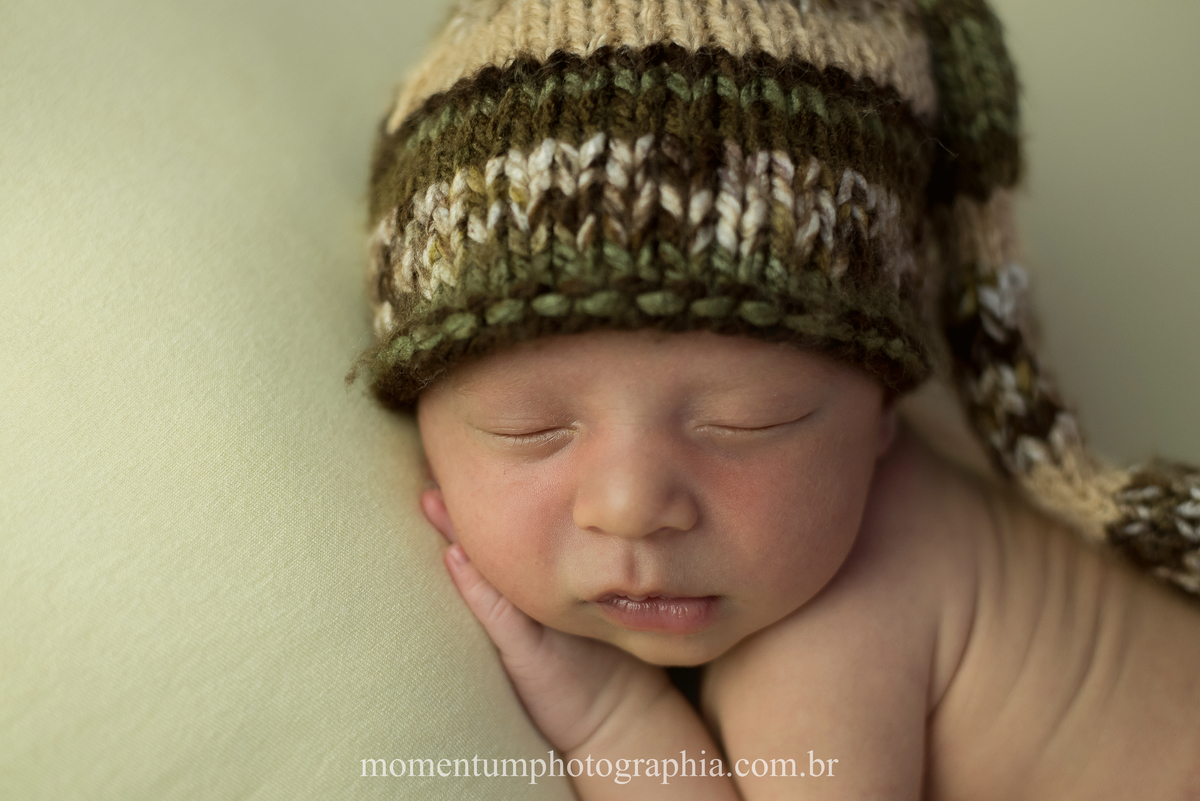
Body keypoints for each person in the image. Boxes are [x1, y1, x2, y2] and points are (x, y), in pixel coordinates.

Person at [347, 1, 1200, 797]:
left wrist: (610, 719)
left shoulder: (831, 632)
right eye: (528, 427)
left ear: (883, 413)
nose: (633, 504)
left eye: (746, 420)